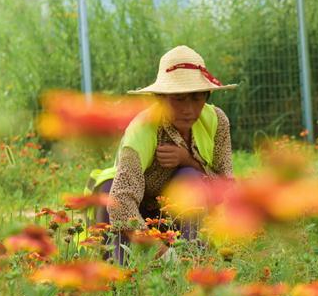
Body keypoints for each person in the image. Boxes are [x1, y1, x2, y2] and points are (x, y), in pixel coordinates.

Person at [87, 45, 236, 261]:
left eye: (196, 98)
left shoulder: (217, 121)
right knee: (109, 192)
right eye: (178, 99)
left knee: (190, 178)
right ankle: (121, 268)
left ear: (207, 95)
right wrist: (160, 252)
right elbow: (121, 202)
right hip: (130, 215)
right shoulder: (143, 128)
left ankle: (192, 258)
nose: (188, 109)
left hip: (173, 217)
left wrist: (188, 160)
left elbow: (226, 188)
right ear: (160, 98)